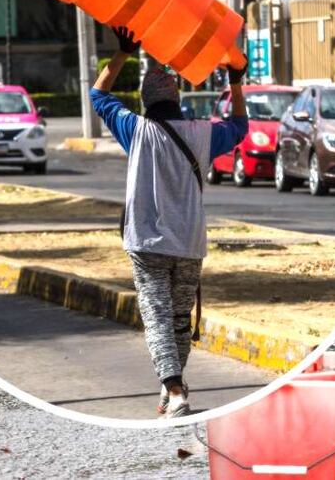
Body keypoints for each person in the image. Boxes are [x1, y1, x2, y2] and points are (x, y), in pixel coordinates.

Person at [90, 26, 248, 418]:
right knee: (179, 319)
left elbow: (98, 95)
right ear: (176, 98)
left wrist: (123, 53)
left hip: (147, 244)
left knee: (157, 315)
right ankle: (173, 388)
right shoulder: (201, 134)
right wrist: (235, 81)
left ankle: (174, 390)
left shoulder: (136, 130)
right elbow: (242, 126)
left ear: (146, 101)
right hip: (190, 244)